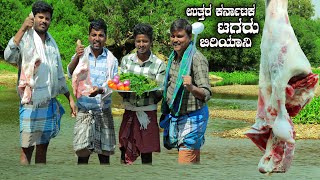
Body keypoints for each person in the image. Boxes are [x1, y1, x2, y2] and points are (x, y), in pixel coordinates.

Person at [4, 1, 76, 165]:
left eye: (47, 18)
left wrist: (70, 98)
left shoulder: (52, 43)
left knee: (43, 149)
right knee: (27, 149)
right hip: (30, 103)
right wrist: (22, 28)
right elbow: (8, 56)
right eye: (40, 17)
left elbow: (58, 75)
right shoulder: (25, 39)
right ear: (33, 18)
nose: (44, 21)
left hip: (48, 102)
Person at [160, 19, 212, 164]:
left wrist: (191, 87)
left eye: (180, 36)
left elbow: (206, 93)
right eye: (173, 36)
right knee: (190, 162)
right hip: (176, 115)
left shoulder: (197, 59)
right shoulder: (173, 57)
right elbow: (170, 85)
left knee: (185, 161)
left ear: (189, 37)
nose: (175, 40)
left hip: (193, 118)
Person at [68, 19, 118, 165]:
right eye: (94, 35)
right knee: (82, 155)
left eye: (101, 35)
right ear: (89, 36)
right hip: (84, 111)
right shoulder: (81, 54)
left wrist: (100, 90)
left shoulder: (112, 60)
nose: (97, 39)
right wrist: (76, 57)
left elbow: (113, 85)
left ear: (105, 38)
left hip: (104, 111)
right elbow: (71, 73)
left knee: (104, 155)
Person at [118, 23, 166, 164]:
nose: (141, 44)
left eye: (145, 41)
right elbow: (122, 86)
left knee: (146, 152)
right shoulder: (127, 60)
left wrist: (145, 92)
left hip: (148, 114)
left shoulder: (158, 64)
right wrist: (124, 90)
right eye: (138, 41)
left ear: (151, 42)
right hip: (129, 112)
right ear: (134, 41)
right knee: (124, 148)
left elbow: (160, 91)